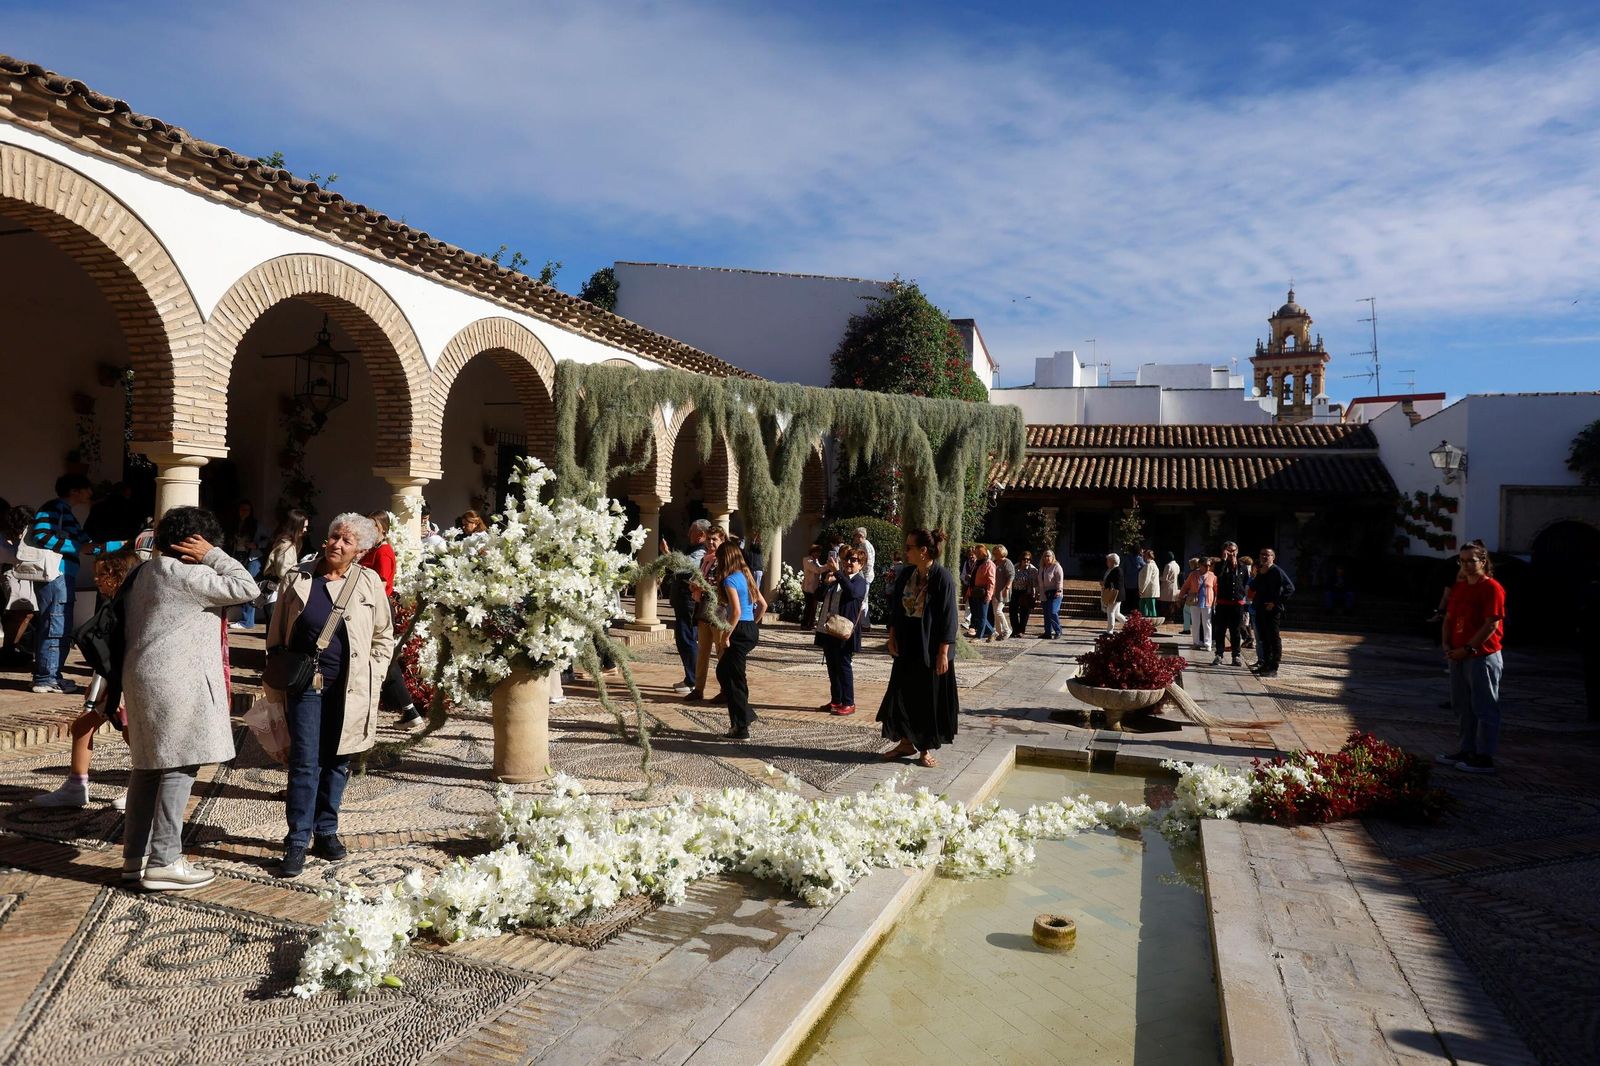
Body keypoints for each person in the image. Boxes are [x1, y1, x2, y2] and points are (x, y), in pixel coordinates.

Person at [121, 506, 258, 890]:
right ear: (196, 542)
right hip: (178, 682)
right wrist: (212, 555)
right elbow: (248, 587)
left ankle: (134, 858)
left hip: (143, 678)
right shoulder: (191, 575)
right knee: (182, 765)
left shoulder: (144, 572)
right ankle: (165, 860)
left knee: (148, 767)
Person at [266, 513, 395, 876]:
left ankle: (326, 831)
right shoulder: (299, 577)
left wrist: (376, 671)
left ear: (360, 549)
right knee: (305, 761)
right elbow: (276, 634)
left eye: (347, 541)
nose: (337, 544)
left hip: (351, 686)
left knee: (339, 760)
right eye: (335, 536)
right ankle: (296, 841)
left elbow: (384, 635)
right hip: (305, 684)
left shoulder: (368, 582)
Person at [33, 550, 139, 809]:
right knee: (83, 727)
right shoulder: (114, 602)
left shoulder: (129, 606)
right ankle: (76, 786)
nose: (96, 579)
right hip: (112, 679)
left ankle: (140, 789)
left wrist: (121, 688)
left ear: (117, 575)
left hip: (124, 681)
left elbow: (125, 648)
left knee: (132, 734)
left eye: (102, 573)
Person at [879, 528, 959, 768]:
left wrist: (943, 652)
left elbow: (949, 617)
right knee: (902, 694)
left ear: (923, 551)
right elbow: (896, 608)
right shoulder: (907, 574)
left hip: (931, 647)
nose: (905, 551)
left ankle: (924, 749)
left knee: (927, 697)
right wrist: (892, 635)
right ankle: (905, 742)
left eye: (909, 547)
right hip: (907, 643)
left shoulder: (942, 577)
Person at [1439, 543, 1506, 774]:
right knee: (1462, 706)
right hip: (1457, 654)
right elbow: (1449, 617)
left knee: (1484, 706)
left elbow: (1491, 624)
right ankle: (1466, 749)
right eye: (1462, 561)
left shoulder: (1491, 588)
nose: (1466, 565)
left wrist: (1467, 648)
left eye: (1471, 560)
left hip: (1481, 655)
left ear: (1483, 562)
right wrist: (1447, 643)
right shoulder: (1460, 587)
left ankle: (1484, 755)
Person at [27, 474, 96, 694]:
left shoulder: (64, 511)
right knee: (55, 625)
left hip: (62, 575)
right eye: (86, 488)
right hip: (56, 575)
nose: (90, 493)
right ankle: (46, 677)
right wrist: (75, 547)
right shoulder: (54, 508)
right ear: (75, 490)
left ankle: (51, 675)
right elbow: (41, 535)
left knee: (59, 625)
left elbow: (85, 543)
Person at [363, 511, 421, 728]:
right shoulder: (372, 549)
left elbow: (381, 582)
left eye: (373, 527)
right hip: (368, 605)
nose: (368, 531)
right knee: (382, 658)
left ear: (383, 529)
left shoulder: (384, 552)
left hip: (377, 606)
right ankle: (409, 710)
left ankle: (409, 709)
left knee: (384, 657)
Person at [713, 540, 766, 740]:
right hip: (749, 628)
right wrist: (752, 623)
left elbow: (734, 611)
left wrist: (726, 636)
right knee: (729, 673)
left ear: (724, 559)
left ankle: (741, 727)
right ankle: (745, 716)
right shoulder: (746, 576)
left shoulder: (730, 580)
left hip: (739, 630)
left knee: (733, 678)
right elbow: (763, 605)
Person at [815, 547, 867, 715]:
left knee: (844, 666)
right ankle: (836, 700)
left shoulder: (859, 581)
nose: (849, 563)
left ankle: (849, 702)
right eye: (847, 559)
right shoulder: (838, 579)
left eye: (853, 560)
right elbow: (819, 596)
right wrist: (825, 582)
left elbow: (852, 593)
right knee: (832, 667)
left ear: (861, 565)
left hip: (845, 631)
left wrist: (838, 572)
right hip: (829, 629)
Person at [670, 519, 710, 695]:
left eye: (691, 531)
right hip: (682, 602)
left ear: (701, 534)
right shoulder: (693, 550)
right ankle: (690, 677)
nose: (688, 534)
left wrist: (667, 555)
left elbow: (685, 568)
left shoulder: (700, 553)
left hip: (688, 602)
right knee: (685, 637)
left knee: (687, 639)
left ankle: (693, 680)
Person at [689, 526, 726, 700]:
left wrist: (704, 586)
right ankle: (698, 689)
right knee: (702, 650)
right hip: (704, 610)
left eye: (715, 540)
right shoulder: (706, 560)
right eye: (709, 539)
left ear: (722, 541)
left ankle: (725, 690)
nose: (711, 543)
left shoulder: (724, 562)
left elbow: (725, 587)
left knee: (721, 652)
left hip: (719, 612)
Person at [0, 504, 38, 666]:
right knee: (20, 612)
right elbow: (14, 555)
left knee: (23, 613)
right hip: (13, 574)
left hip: (21, 574)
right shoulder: (5, 537)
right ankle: (8, 651)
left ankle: (10, 650)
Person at [1249, 548, 1295, 678]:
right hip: (1260, 609)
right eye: (1262, 554)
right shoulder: (1261, 571)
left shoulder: (1277, 571)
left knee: (1273, 638)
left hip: (1272, 610)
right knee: (1264, 639)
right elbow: (1253, 587)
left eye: (1267, 555)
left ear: (1272, 557)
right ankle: (1265, 664)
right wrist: (1259, 574)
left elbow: (1290, 588)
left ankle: (1274, 667)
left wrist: (1275, 603)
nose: (1264, 557)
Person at [260, 510, 309, 628]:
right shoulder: (285, 546)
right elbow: (283, 572)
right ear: (296, 526)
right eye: (304, 526)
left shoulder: (286, 543)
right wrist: (302, 566)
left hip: (278, 592)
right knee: (276, 630)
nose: (305, 530)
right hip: (276, 593)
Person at [224, 500, 263, 630]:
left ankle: (247, 621)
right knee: (235, 584)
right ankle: (233, 617)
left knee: (249, 586)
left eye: (247, 509)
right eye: (242, 509)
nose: (244, 512)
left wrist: (256, 545)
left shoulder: (257, 524)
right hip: (237, 556)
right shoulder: (234, 523)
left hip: (252, 558)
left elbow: (268, 539)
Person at [1211, 542, 1247, 667]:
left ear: (1237, 551)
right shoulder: (1220, 565)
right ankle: (1219, 654)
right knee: (1220, 630)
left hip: (1237, 604)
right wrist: (1224, 560)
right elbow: (1218, 576)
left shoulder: (1242, 567)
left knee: (1235, 631)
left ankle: (1236, 655)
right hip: (1223, 603)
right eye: (1228, 550)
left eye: (1233, 550)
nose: (1231, 553)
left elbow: (1244, 582)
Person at [969, 545, 996, 640]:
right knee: (978, 615)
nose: (976, 554)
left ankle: (979, 636)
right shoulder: (977, 563)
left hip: (983, 592)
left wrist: (989, 595)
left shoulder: (989, 564)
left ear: (982, 553)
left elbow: (991, 582)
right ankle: (992, 631)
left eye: (977, 552)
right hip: (975, 591)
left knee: (983, 615)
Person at [1011, 551, 1039, 636]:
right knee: (1013, 611)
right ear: (1021, 560)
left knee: (1024, 612)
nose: (1026, 561)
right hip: (1015, 591)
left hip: (1026, 592)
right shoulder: (1015, 567)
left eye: (1028, 559)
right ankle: (1015, 629)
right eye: (1024, 559)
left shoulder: (1033, 570)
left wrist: (1035, 594)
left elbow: (1036, 584)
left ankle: (1021, 631)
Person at [1038, 550, 1065, 639]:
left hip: (1055, 592)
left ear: (1053, 557)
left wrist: (1059, 590)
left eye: (1049, 556)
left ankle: (1058, 630)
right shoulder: (1042, 567)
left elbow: (1060, 580)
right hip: (1044, 593)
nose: (1047, 558)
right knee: (1046, 613)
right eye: (1045, 556)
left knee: (1053, 612)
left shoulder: (1056, 566)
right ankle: (1047, 633)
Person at [800, 542, 825, 632]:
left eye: (819, 552)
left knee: (814, 606)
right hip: (808, 587)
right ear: (812, 552)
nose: (818, 554)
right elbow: (817, 570)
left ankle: (811, 623)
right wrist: (828, 566)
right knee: (809, 606)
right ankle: (805, 624)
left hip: (815, 587)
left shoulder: (816, 560)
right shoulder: (807, 560)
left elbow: (819, 568)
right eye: (816, 552)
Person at [992, 545, 1014, 640]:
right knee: (995, 612)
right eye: (995, 552)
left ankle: (1007, 630)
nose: (996, 554)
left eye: (998, 552)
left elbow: (1011, 575)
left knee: (998, 611)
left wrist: (1007, 587)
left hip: (1003, 590)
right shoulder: (994, 562)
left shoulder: (1007, 562)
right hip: (994, 591)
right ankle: (998, 632)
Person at [1177, 557, 1202, 636]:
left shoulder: (1193, 574)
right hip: (1202, 596)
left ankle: (1187, 629)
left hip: (1192, 596)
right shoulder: (1203, 572)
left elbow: (1185, 586)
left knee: (1186, 611)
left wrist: (1180, 596)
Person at [1101, 553, 1126, 632]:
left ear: (1112, 561)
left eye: (1108, 561)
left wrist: (1104, 583)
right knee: (1116, 613)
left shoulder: (1116, 570)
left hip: (1115, 595)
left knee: (1110, 612)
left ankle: (1109, 631)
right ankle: (1128, 624)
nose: (1107, 563)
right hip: (1117, 594)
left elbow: (1116, 583)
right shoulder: (1114, 570)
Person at [1238, 554, 1257, 650]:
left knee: (1242, 621)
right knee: (1247, 622)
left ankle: (1248, 638)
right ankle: (1250, 641)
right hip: (1248, 600)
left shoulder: (1246, 572)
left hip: (1245, 600)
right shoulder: (1251, 572)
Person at [1123, 546, 1146, 617]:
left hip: (1127, 582)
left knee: (1128, 599)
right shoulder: (1139, 559)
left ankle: (1127, 613)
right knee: (1135, 600)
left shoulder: (1126, 559)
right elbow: (1145, 568)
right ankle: (1135, 614)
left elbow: (1123, 569)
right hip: (1136, 583)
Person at [1138, 547, 1160, 618]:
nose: (1143, 557)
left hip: (1148, 590)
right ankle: (1144, 623)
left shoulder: (1149, 565)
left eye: (1144, 556)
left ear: (1148, 556)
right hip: (1147, 591)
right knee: (1143, 607)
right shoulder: (1152, 565)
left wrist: (1141, 589)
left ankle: (1152, 624)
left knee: (1150, 608)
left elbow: (1146, 579)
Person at [1159, 552, 1181, 623]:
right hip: (1175, 586)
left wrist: (1159, 577)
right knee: (1172, 604)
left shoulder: (1168, 565)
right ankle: (1171, 619)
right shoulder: (1177, 565)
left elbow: (1165, 578)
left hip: (1167, 587)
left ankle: (1166, 619)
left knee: (1166, 604)